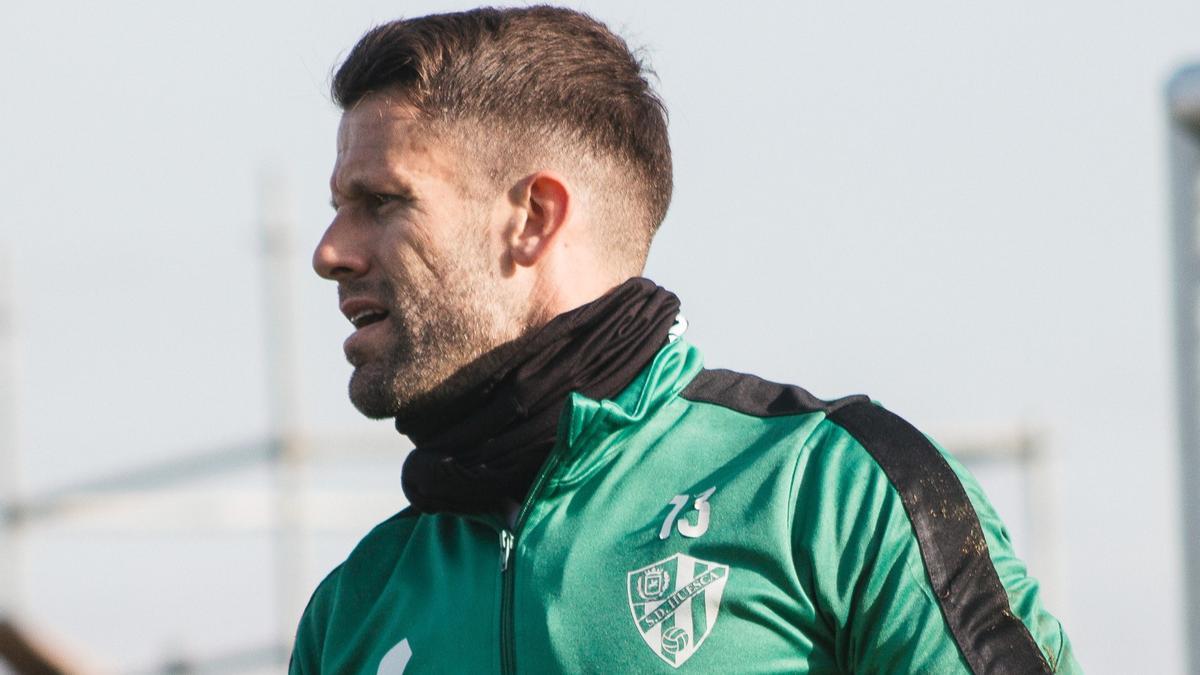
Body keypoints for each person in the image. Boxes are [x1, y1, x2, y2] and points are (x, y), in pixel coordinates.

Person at [292, 6, 1079, 673]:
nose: (331, 250)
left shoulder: (829, 492)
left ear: (534, 219)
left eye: (382, 201)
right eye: (337, 206)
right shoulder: (355, 604)